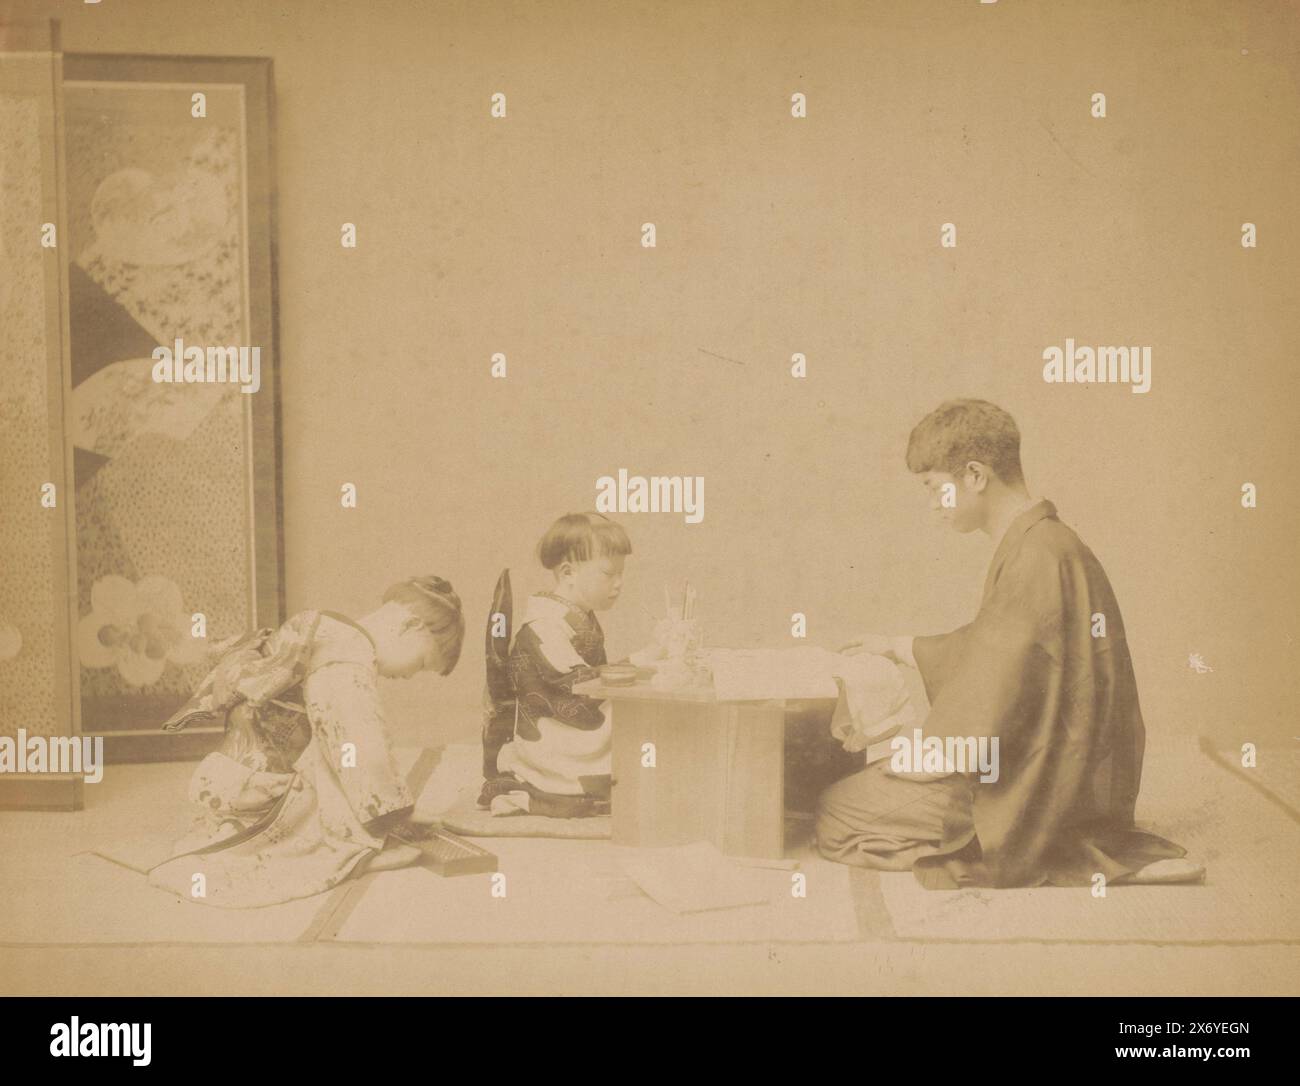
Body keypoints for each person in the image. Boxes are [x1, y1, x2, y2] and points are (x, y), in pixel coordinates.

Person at [816, 400, 1202, 888]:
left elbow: (998, 687)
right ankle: (1024, 841)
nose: (933, 505)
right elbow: (997, 652)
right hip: (1060, 766)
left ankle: (1019, 849)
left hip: (1034, 779)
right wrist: (900, 645)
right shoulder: (1047, 541)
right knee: (877, 785)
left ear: (975, 475)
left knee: (837, 812)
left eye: (936, 488)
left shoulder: (1035, 555)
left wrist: (931, 758)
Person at [148, 575, 465, 908]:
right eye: (422, 663)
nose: (410, 676)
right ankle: (353, 846)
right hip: (271, 791)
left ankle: (240, 826)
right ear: (410, 625)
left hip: (241, 770)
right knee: (348, 793)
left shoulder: (326, 628)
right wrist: (394, 814)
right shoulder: (347, 659)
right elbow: (360, 747)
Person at [480, 513, 652, 818]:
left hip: (572, 718)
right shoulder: (543, 625)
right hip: (556, 732)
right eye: (608, 573)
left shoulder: (573, 616)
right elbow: (578, 682)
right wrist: (642, 661)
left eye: (621, 573)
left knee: (641, 702)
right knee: (639, 709)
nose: (619, 584)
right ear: (569, 572)